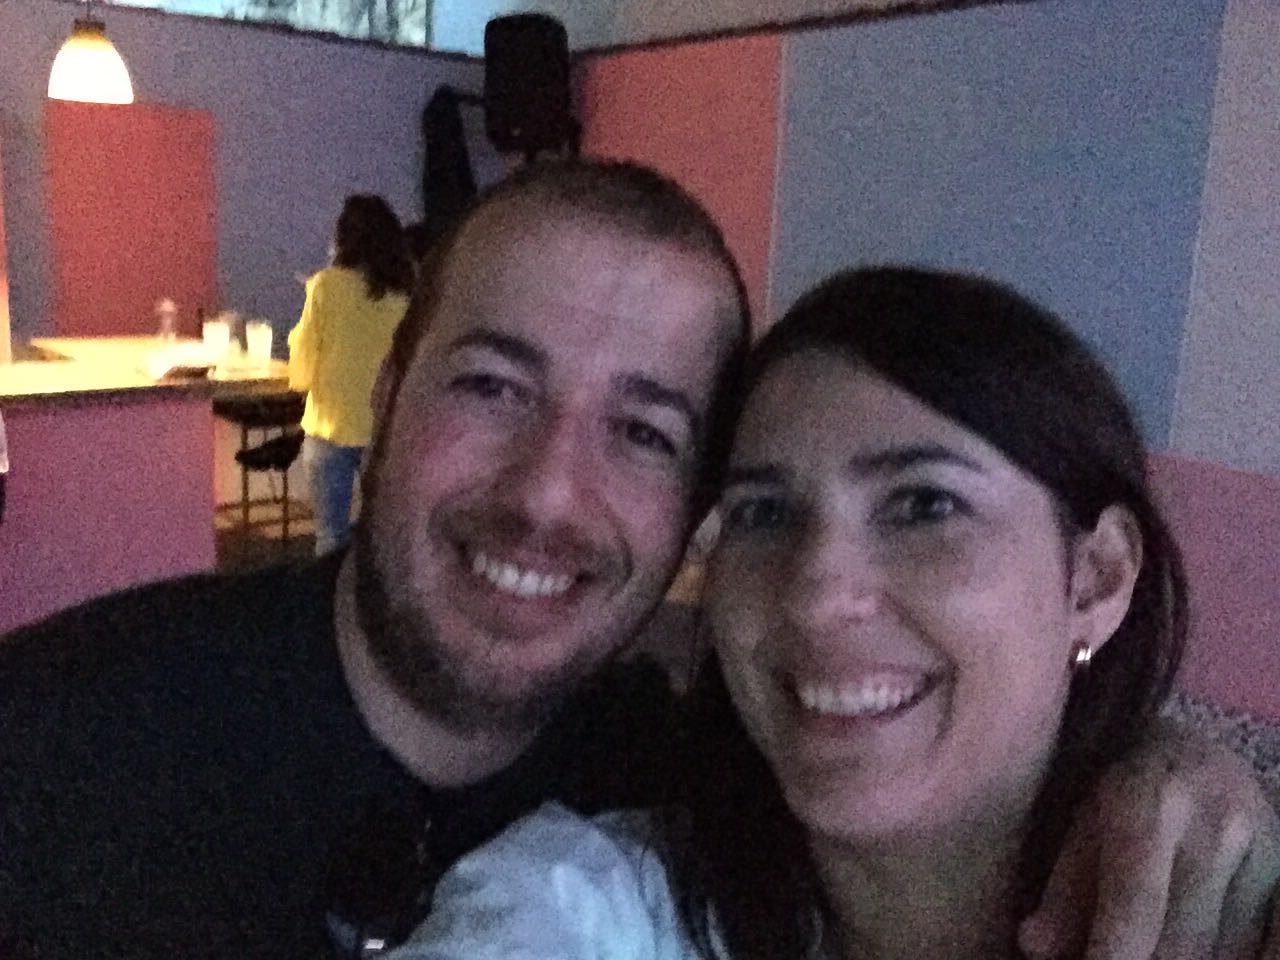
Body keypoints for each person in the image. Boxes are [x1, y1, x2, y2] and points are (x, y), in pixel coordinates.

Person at [0, 165, 1274, 960]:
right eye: (493, 386)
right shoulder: (50, 745)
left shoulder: (682, 765)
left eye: (644, 432)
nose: (547, 492)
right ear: (385, 397)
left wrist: (1150, 763)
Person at [391, 266, 1280, 960]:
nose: (816, 596)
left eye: (923, 505)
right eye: (764, 513)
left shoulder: (1233, 909)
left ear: (1096, 580)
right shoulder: (586, 906)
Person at [288, 193, 414, 555]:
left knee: (330, 537)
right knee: (383, 540)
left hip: (330, 425)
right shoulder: (406, 293)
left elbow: (303, 366)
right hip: (385, 430)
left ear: (343, 238)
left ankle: (332, 592)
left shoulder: (326, 286)